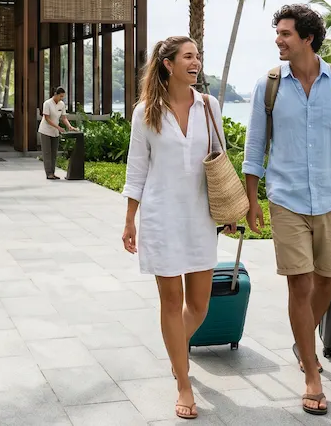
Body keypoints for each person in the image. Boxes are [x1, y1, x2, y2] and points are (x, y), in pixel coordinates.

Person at [242, 4, 331, 417]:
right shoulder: (268, 85)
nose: (278, 40)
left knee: (326, 282)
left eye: (286, 34)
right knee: (299, 286)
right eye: (278, 33)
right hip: (285, 198)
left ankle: (301, 339)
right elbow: (255, 146)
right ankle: (311, 372)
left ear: (308, 38)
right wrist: (252, 200)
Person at [121, 36, 229, 421]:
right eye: (188, 56)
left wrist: (230, 207)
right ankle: (183, 382)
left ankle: (175, 351)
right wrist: (130, 219)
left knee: (198, 305)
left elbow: (221, 158)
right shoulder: (145, 112)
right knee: (170, 301)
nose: (195, 62)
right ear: (168, 64)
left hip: (200, 216)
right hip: (161, 217)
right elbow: (137, 169)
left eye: (197, 56)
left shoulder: (209, 106)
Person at [38, 86, 75, 180]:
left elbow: (64, 117)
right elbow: (47, 118)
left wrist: (69, 126)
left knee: (54, 153)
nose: (61, 98)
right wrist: (58, 127)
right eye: (60, 96)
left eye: (63, 96)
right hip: (45, 130)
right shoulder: (47, 103)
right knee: (47, 153)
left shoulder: (61, 104)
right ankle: (49, 173)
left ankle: (53, 173)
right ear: (56, 94)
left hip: (55, 132)